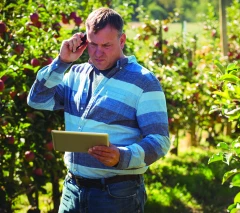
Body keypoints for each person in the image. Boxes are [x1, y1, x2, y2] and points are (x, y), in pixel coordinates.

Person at [27, 7, 170, 213]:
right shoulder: (75, 73)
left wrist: (122, 156)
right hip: (72, 190)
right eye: (93, 44)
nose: (98, 52)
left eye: (106, 45)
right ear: (84, 41)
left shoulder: (143, 81)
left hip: (116, 194)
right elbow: (38, 100)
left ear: (122, 41)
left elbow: (159, 140)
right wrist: (62, 62)